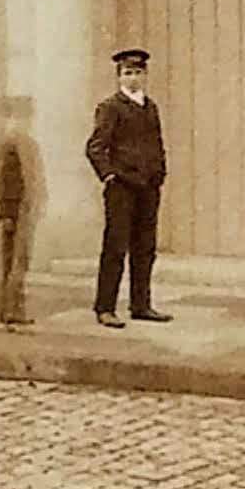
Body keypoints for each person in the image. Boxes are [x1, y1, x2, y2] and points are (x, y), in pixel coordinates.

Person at [85, 46, 171, 329]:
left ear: (145, 75)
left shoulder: (151, 107)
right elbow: (95, 148)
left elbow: (156, 143)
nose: (132, 78)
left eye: (137, 73)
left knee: (145, 247)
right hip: (122, 187)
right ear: (119, 77)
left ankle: (141, 304)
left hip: (148, 187)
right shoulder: (110, 107)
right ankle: (105, 308)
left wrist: (160, 172)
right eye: (127, 73)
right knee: (116, 246)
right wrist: (110, 176)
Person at [0, 95, 45, 326]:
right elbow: (1, 181)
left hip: (27, 208)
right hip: (15, 210)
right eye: (17, 116)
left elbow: (35, 177)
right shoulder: (8, 144)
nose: (22, 121)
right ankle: (10, 309)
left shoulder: (28, 143)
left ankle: (14, 308)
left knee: (21, 260)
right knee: (13, 261)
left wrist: (40, 200)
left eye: (25, 117)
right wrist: (5, 213)